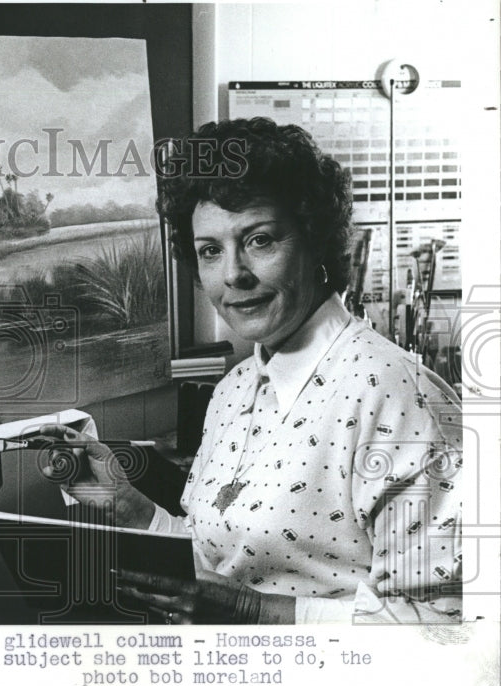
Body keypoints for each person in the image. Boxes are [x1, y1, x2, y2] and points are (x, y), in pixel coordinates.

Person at [41, 117, 462, 624]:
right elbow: (220, 565)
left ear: (315, 242)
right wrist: (127, 506)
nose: (233, 275)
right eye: (210, 251)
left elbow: (448, 628)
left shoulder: (400, 396)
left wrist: (253, 610)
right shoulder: (234, 389)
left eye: (260, 241)